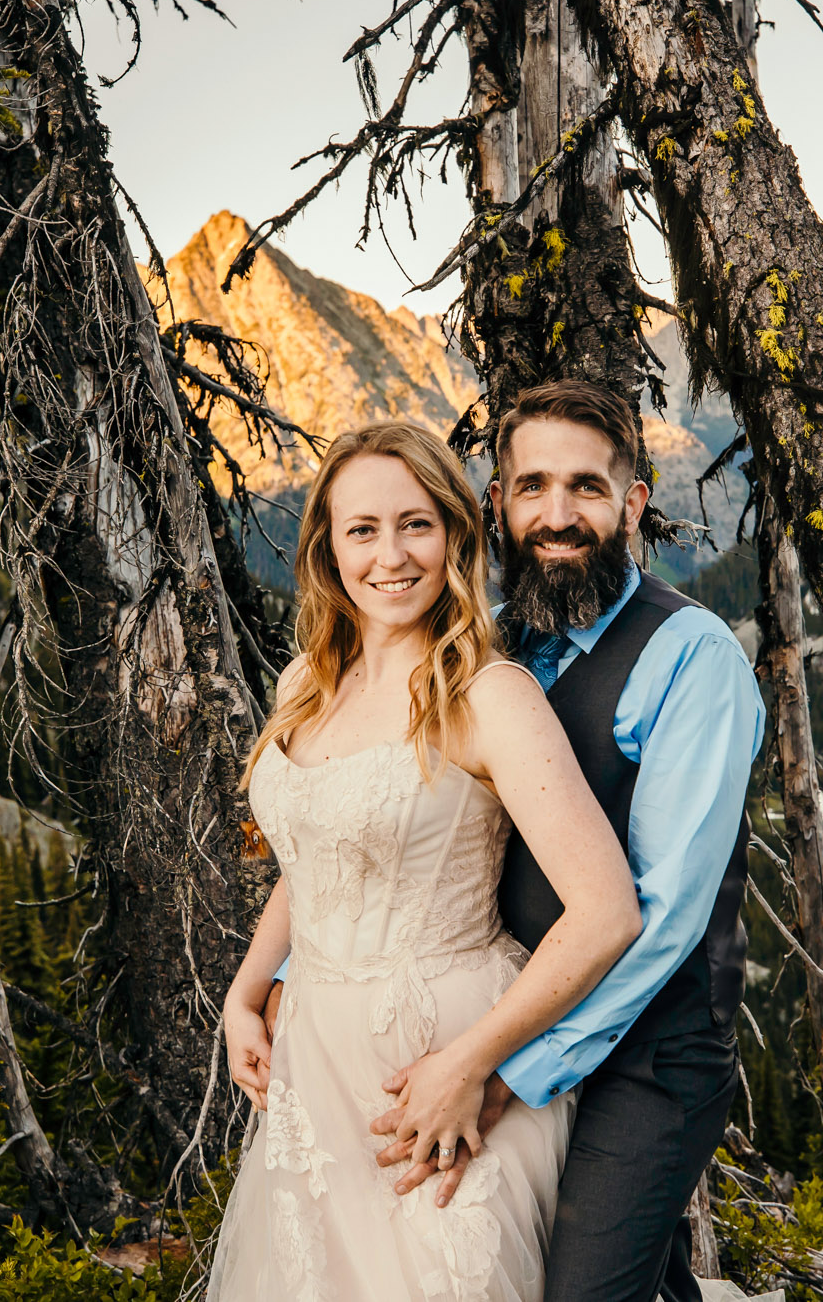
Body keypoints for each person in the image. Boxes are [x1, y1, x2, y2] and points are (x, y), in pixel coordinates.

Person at [267, 382, 765, 1302]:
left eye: (586, 486)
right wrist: (289, 981)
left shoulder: (692, 658)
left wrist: (504, 1068)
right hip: (515, 1007)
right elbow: (388, 831)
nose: (558, 514)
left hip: (647, 1049)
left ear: (634, 502)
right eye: (532, 486)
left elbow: (657, 915)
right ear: (496, 503)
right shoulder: (490, 646)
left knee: (577, 1290)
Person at [208, 422, 643, 1302]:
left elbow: (606, 912)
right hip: (315, 1063)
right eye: (362, 529)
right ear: (328, 548)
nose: (391, 555)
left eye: (416, 523)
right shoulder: (307, 685)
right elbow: (315, 855)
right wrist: (245, 992)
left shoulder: (489, 695)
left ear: (454, 532)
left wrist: (471, 1064)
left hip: (446, 1056)